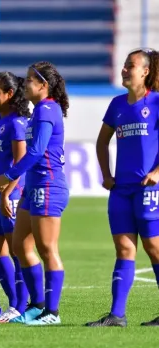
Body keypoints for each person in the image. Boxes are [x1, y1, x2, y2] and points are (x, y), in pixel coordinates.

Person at [0, 61, 69, 325]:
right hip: (34, 186)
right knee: (21, 244)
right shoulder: (38, 111)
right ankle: (36, 305)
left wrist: (8, 177)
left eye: (28, 81)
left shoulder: (47, 108)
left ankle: (52, 313)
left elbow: (35, 151)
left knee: (47, 248)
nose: (24, 85)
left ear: (43, 86)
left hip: (48, 185)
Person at [87, 49, 159, 327]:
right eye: (125, 65)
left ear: (146, 71)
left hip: (148, 189)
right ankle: (117, 315)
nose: (125, 69)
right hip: (121, 190)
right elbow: (101, 141)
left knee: (154, 248)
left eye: (131, 65)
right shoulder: (117, 104)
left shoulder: (156, 103)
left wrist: (156, 173)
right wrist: (106, 174)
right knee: (124, 250)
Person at [0, 72, 30, 323]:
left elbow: (20, 162)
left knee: (17, 251)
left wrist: (8, 194)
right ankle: (13, 304)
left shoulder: (17, 123)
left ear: (9, 94)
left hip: (12, 194)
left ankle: (19, 306)